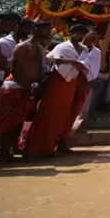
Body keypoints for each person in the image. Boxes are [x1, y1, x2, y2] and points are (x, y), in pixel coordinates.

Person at [26, 23, 89, 157]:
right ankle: (37, 148)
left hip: (72, 81)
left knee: (63, 114)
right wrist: (72, 61)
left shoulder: (84, 49)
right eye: (78, 33)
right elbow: (53, 59)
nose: (81, 36)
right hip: (58, 80)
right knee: (49, 113)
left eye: (83, 33)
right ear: (71, 34)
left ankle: (54, 145)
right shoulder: (62, 46)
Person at [0, 22, 50, 161]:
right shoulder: (23, 47)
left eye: (49, 30)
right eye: (45, 29)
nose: (48, 32)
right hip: (15, 87)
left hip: (28, 88)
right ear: (36, 29)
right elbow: (15, 68)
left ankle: (13, 149)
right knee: (7, 123)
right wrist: (27, 86)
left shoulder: (39, 48)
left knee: (18, 122)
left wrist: (36, 86)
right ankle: (3, 153)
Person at [0, 13, 21, 102]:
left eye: (14, 25)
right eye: (10, 24)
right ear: (0, 21)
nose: (12, 28)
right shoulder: (0, 40)